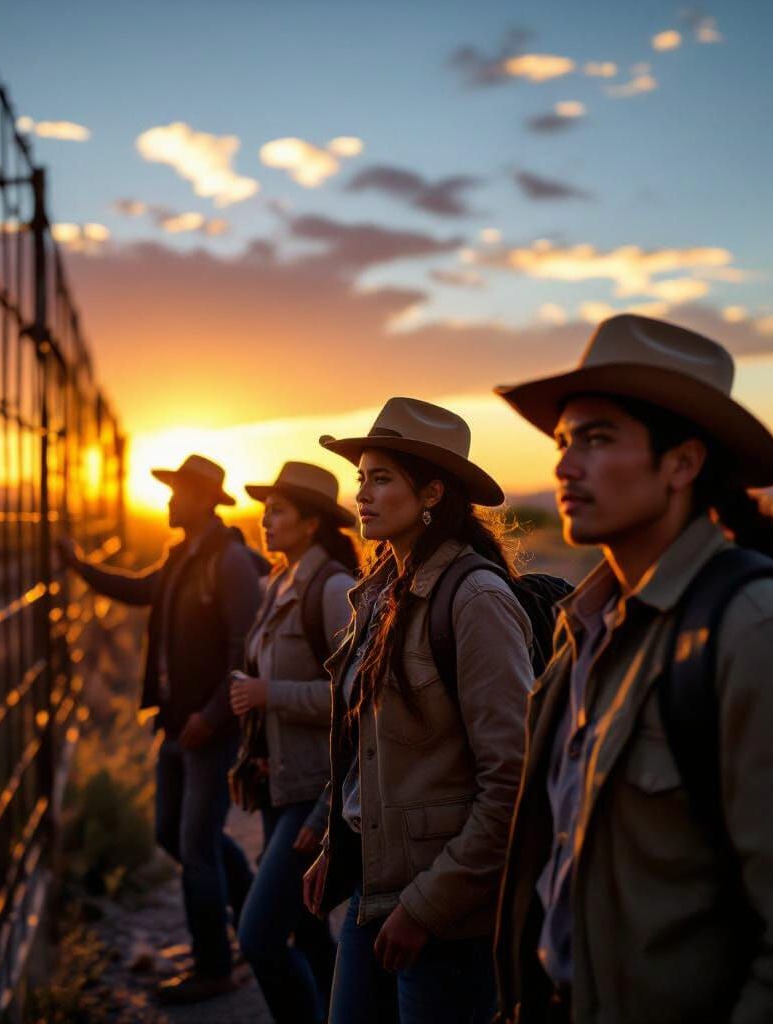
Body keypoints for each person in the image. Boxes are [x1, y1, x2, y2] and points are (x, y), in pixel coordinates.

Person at [493, 314, 773, 1023]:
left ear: (681, 464)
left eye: (597, 438)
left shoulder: (758, 633)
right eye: (562, 442)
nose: (563, 465)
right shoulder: (589, 627)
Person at [302, 397, 534, 1024]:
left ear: (432, 492)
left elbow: (511, 780)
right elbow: (366, 747)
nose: (362, 496)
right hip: (374, 886)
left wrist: (427, 907)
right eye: (361, 479)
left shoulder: (476, 598)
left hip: (445, 911)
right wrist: (338, 840)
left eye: (382, 479)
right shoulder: (380, 592)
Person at [58, 453, 261, 1004]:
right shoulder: (180, 559)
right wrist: (76, 565)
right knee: (171, 835)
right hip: (176, 726)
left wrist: (213, 716)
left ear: (200, 499)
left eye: (177, 492)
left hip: (208, 733)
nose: (169, 500)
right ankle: (257, 917)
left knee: (195, 847)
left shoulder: (230, 562)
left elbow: (245, 650)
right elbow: (135, 589)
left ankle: (215, 967)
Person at [229, 461, 359, 1024]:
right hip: (279, 783)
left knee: (258, 935)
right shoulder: (277, 583)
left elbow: (358, 700)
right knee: (308, 934)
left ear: (311, 523)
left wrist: (269, 694)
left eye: (278, 510)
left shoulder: (332, 589)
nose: (264, 520)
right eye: (265, 509)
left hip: (314, 791)